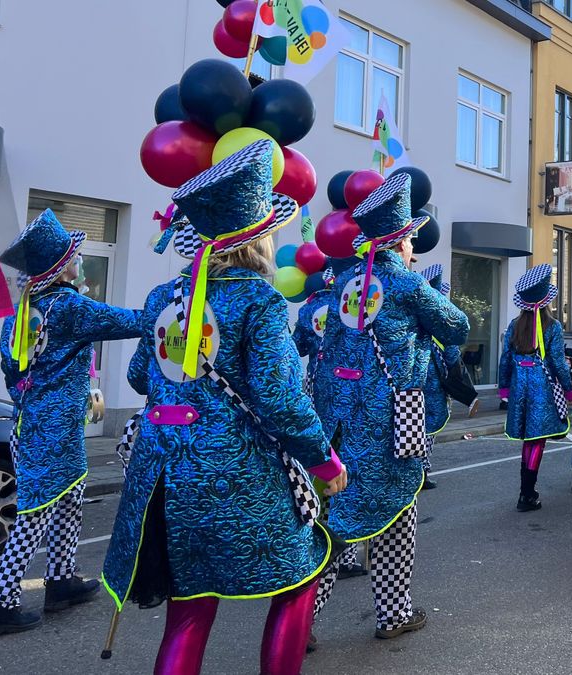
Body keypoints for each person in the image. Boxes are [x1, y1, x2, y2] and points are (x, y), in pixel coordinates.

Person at [101, 141, 347, 674]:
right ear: (259, 238)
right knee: (298, 580)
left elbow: (140, 375)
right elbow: (281, 399)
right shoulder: (258, 300)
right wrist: (325, 461)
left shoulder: (163, 298)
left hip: (165, 476)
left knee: (189, 611)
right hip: (240, 476)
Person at [311, 172, 469, 640]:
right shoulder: (406, 284)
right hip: (393, 422)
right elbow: (457, 327)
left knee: (337, 514)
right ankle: (393, 614)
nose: (412, 250)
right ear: (400, 241)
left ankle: (301, 620)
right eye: (410, 241)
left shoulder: (345, 281)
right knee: (394, 514)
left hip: (340, 418)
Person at [0, 210, 142, 636]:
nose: (80, 262)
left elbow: (12, 375)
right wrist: (177, 303)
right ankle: (0, 600)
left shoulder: (20, 314)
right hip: (53, 431)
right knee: (35, 512)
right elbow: (131, 322)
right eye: (76, 256)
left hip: (32, 425)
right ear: (62, 266)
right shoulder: (69, 307)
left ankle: (61, 579)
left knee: (70, 495)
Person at [294, 261, 368, 582]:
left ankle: (315, 536)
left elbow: (297, 347)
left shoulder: (305, 313)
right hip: (350, 390)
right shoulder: (347, 304)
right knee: (349, 467)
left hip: (316, 385)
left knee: (321, 457)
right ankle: (346, 552)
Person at [498, 264, 572, 511]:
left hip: (520, 384)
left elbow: (505, 358)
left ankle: (526, 492)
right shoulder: (552, 327)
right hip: (541, 385)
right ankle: (527, 493)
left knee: (527, 440)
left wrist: (504, 388)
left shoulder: (515, 324)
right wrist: (568, 388)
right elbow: (557, 361)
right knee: (537, 440)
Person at [417, 263, 472, 490]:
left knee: (410, 423)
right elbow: (451, 353)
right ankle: (422, 472)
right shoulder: (440, 318)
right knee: (429, 427)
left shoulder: (415, 311)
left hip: (411, 378)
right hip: (433, 379)